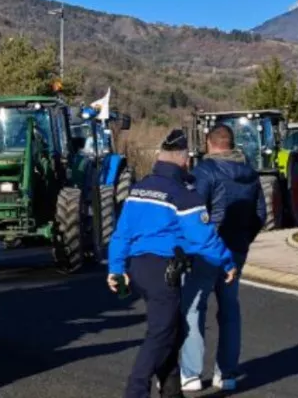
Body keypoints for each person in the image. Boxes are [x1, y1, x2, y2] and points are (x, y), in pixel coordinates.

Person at [107, 129, 238, 398]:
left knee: (173, 328)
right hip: (161, 271)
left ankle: (171, 389)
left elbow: (121, 233)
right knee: (161, 333)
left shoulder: (139, 188)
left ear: (160, 157)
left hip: (137, 269)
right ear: (185, 159)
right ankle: (136, 391)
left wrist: (116, 269)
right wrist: (227, 262)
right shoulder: (183, 195)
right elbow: (203, 239)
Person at [178, 123, 266, 392]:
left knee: (194, 307)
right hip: (236, 249)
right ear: (232, 143)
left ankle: (191, 374)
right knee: (229, 310)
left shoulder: (204, 172)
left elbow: (193, 214)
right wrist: (243, 242)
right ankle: (225, 373)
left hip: (207, 250)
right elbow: (260, 214)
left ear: (208, 142)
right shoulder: (251, 174)